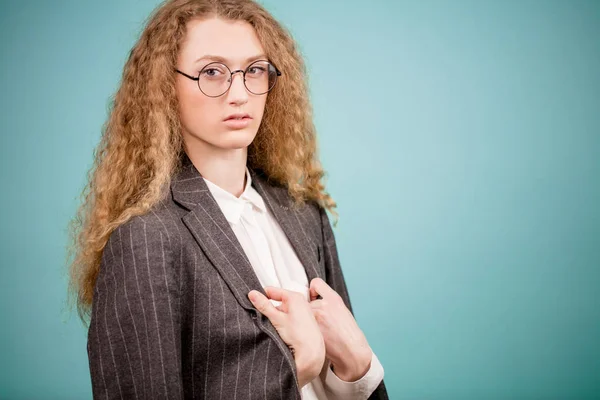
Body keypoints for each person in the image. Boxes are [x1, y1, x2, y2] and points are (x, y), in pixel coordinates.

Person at [67, 0, 388, 398]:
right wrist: (299, 366)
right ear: (165, 87)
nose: (239, 93)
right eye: (212, 72)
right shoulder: (145, 240)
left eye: (254, 70)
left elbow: (354, 374)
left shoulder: (305, 214)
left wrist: (359, 367)